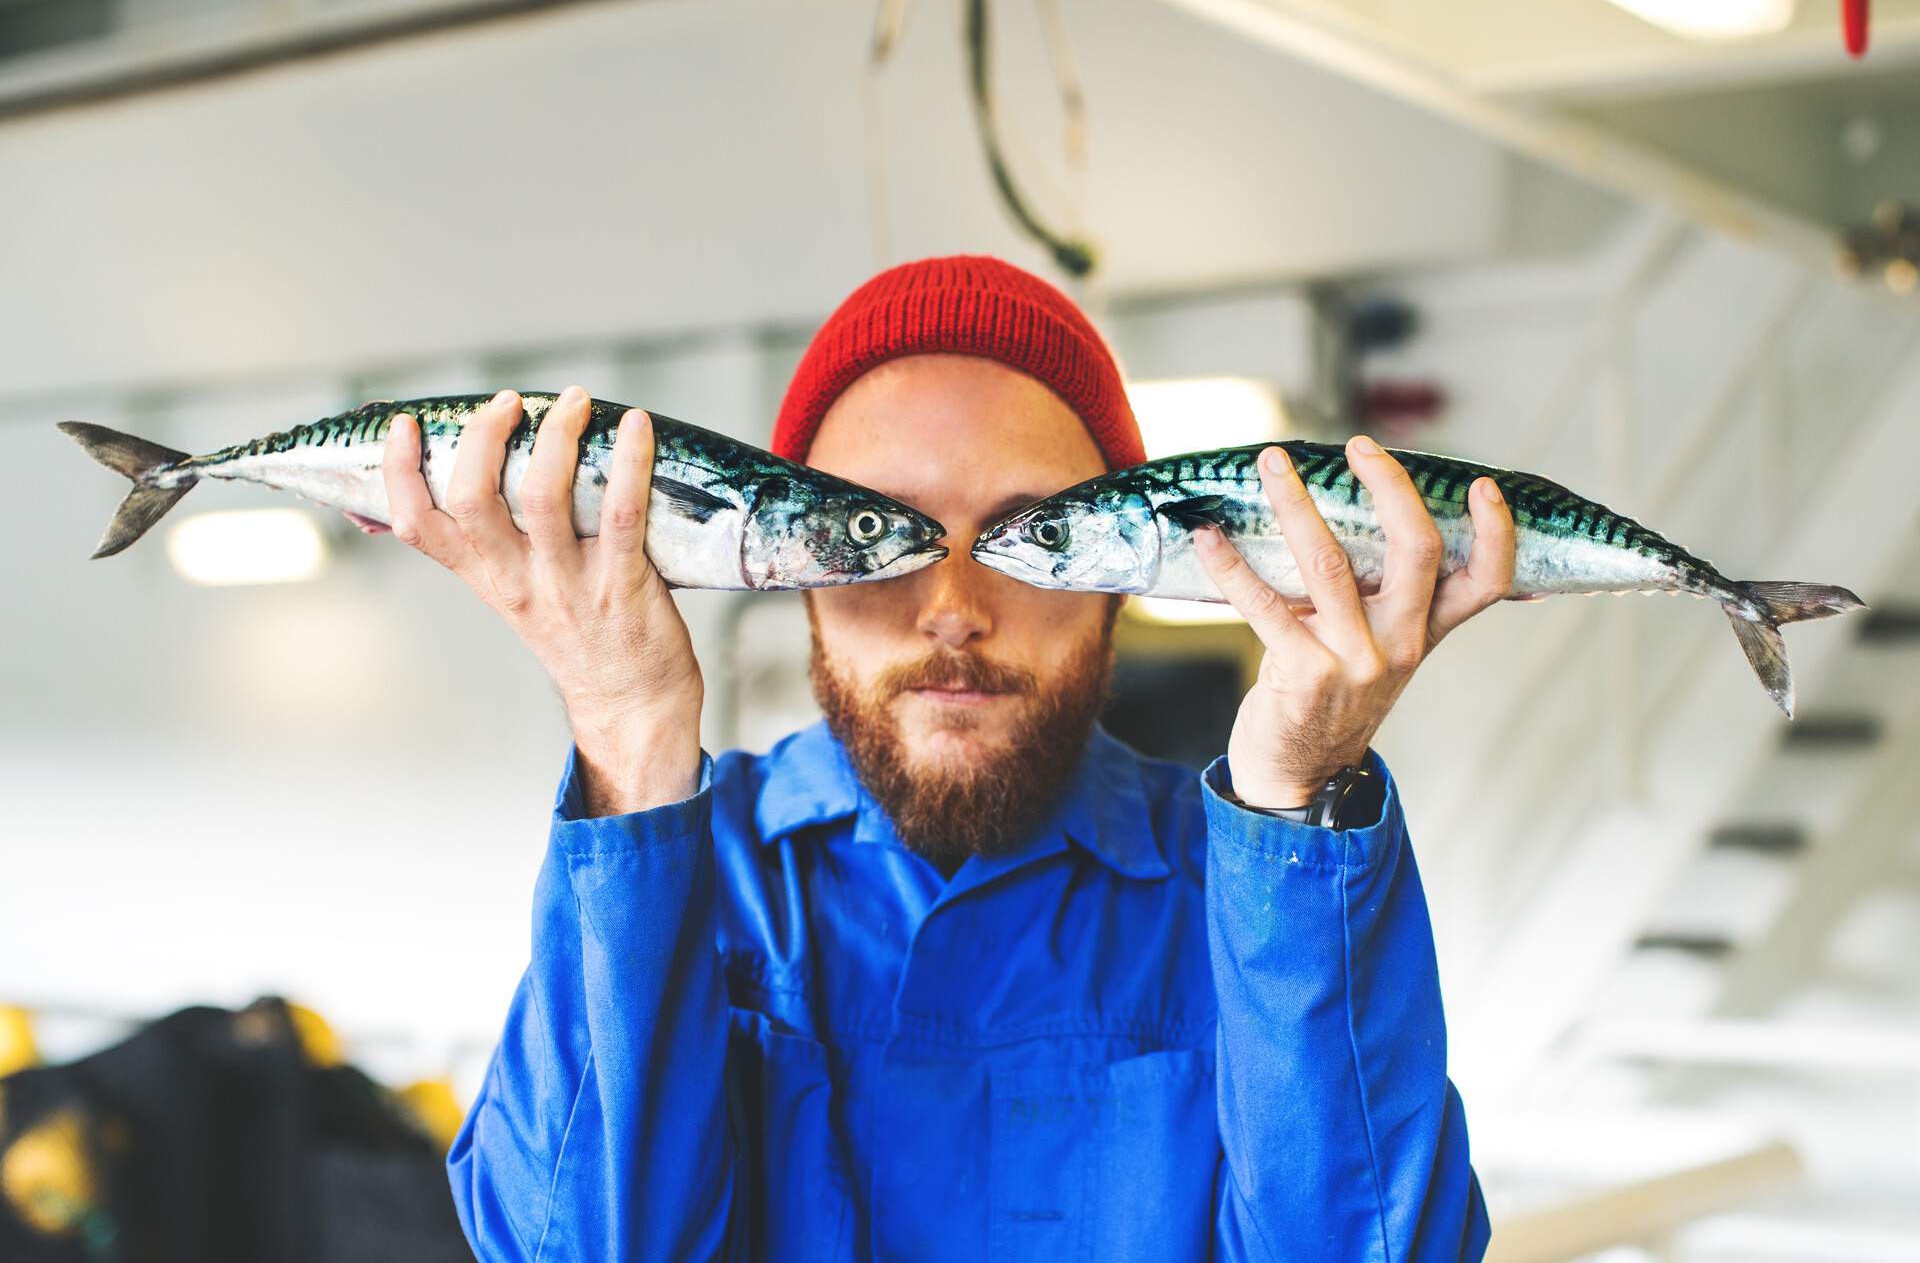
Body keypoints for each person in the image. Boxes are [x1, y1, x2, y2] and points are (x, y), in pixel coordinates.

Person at [381, 256, 1512, 1261]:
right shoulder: (687, 862)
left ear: (1123, 571)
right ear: (789, 564)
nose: (955, 609)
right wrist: (624, 729)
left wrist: (1301, 800)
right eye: (879, 532)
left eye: (1034, 536)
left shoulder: (1250, 882)